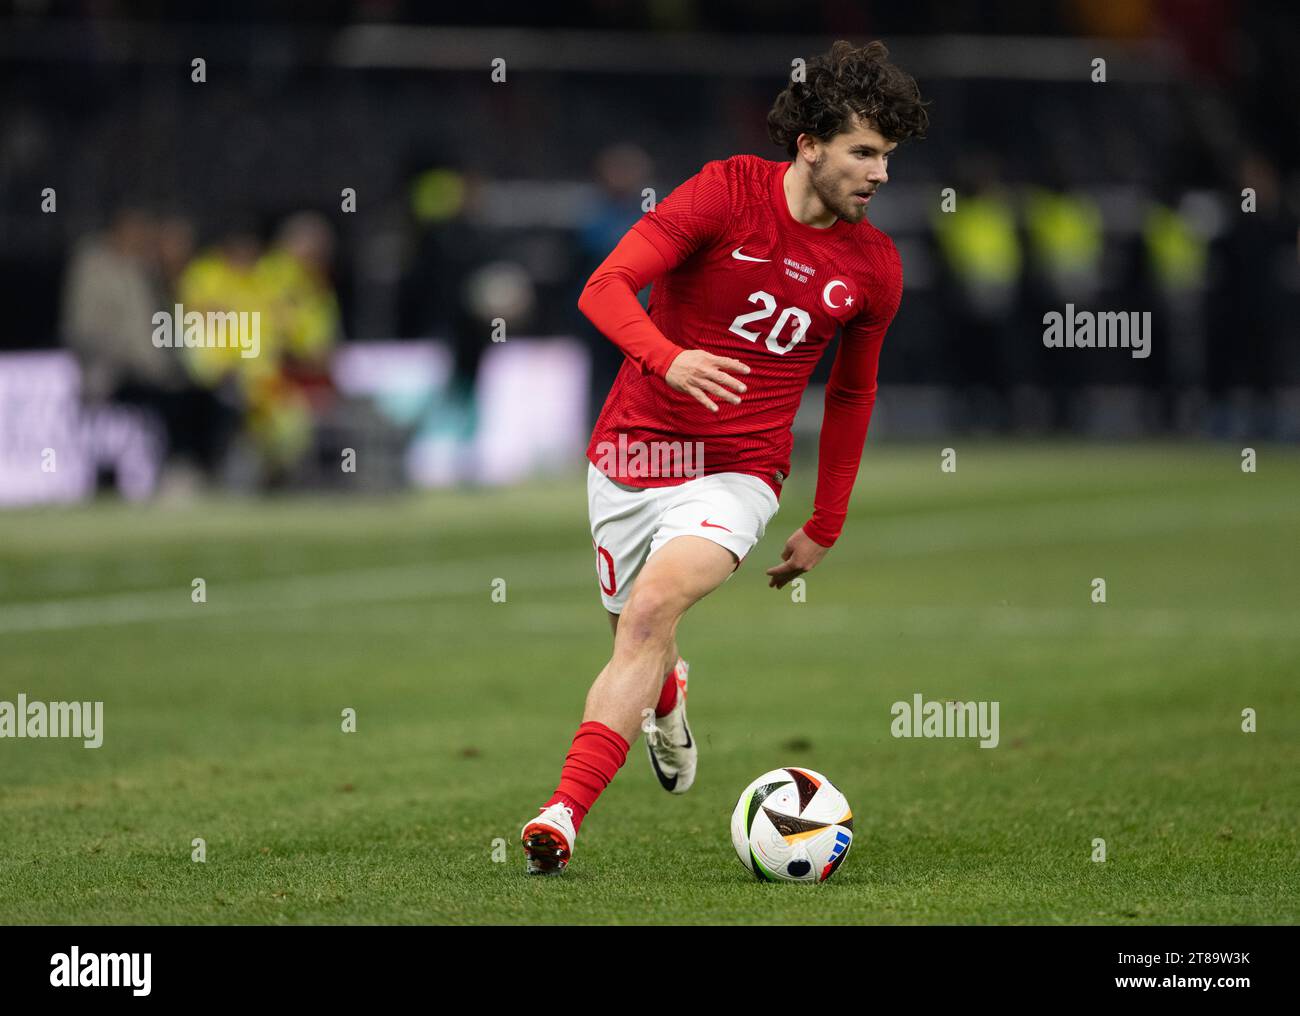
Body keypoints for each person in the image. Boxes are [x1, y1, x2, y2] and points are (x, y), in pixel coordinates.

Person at [520, 40, 929, 874]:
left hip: (739, 471)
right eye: (863, 152)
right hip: (630, 453)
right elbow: (603, 287)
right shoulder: (726, 191)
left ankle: (562, 814)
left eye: (887, 156)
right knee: (641, 640)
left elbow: (851, 396)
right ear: (809, 143)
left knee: (646, 616)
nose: (879, 174)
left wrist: (827, 519)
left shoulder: (875, 268)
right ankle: (666, 693)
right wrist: (667, 357)